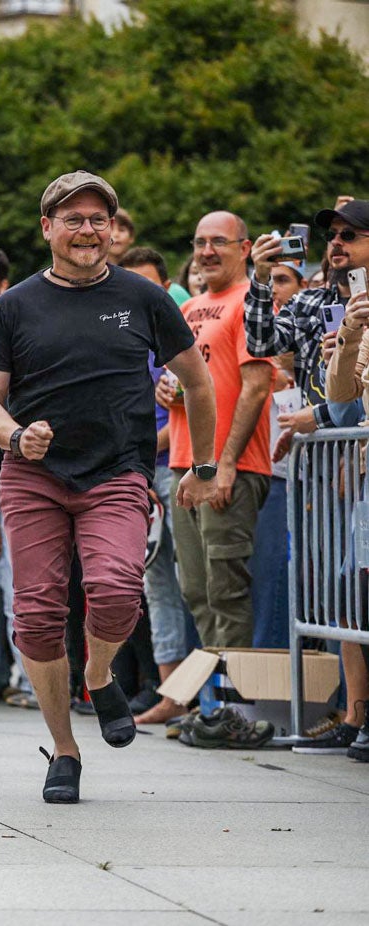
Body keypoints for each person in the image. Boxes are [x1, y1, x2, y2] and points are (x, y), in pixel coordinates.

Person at [0, 170, 218, 803]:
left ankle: (99, 674)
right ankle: (64, 750)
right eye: (73, 218)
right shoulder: (14, 305)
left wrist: (206, 462)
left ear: (111, 228)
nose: (87, 229)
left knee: (115, 591)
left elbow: (197, 381)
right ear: (47, 228)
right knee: (37, 613)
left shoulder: (144, 297)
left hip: (116, 472)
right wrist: (14, 436)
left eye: (98, 219)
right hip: (33, 477)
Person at [250, 199, 369, 755]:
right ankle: (353, 714)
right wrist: (257, 278)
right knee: (337, 593)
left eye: (353, 234)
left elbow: (348, 404)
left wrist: (320, 419)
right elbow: (259, 343)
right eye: (334, 235)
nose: (338, 243)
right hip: (320, 463)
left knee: (359, 588)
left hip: (348, 453)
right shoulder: (315, 300)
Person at [164, 213, 273, 652]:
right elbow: (192, 381)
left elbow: (257, 385)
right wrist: (165, 389)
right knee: (195, 590)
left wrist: (224, 464)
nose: (206, 251)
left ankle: (237, 708)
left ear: (245, 249)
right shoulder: (188, 308)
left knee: (225, 591)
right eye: (199, 242)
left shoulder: (252, 301)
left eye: (219, 242)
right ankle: (215, 705)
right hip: (183, 463)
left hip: (230, 467)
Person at [116, 247, 196, 724]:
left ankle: (207, 691)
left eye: (149, 285)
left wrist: (140, 454)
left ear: (165, 288)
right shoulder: (119, 335)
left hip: (177, 469)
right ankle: (172, 693)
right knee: (157, 584)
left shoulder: (179, 333)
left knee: (196, 584)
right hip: (140, 474)